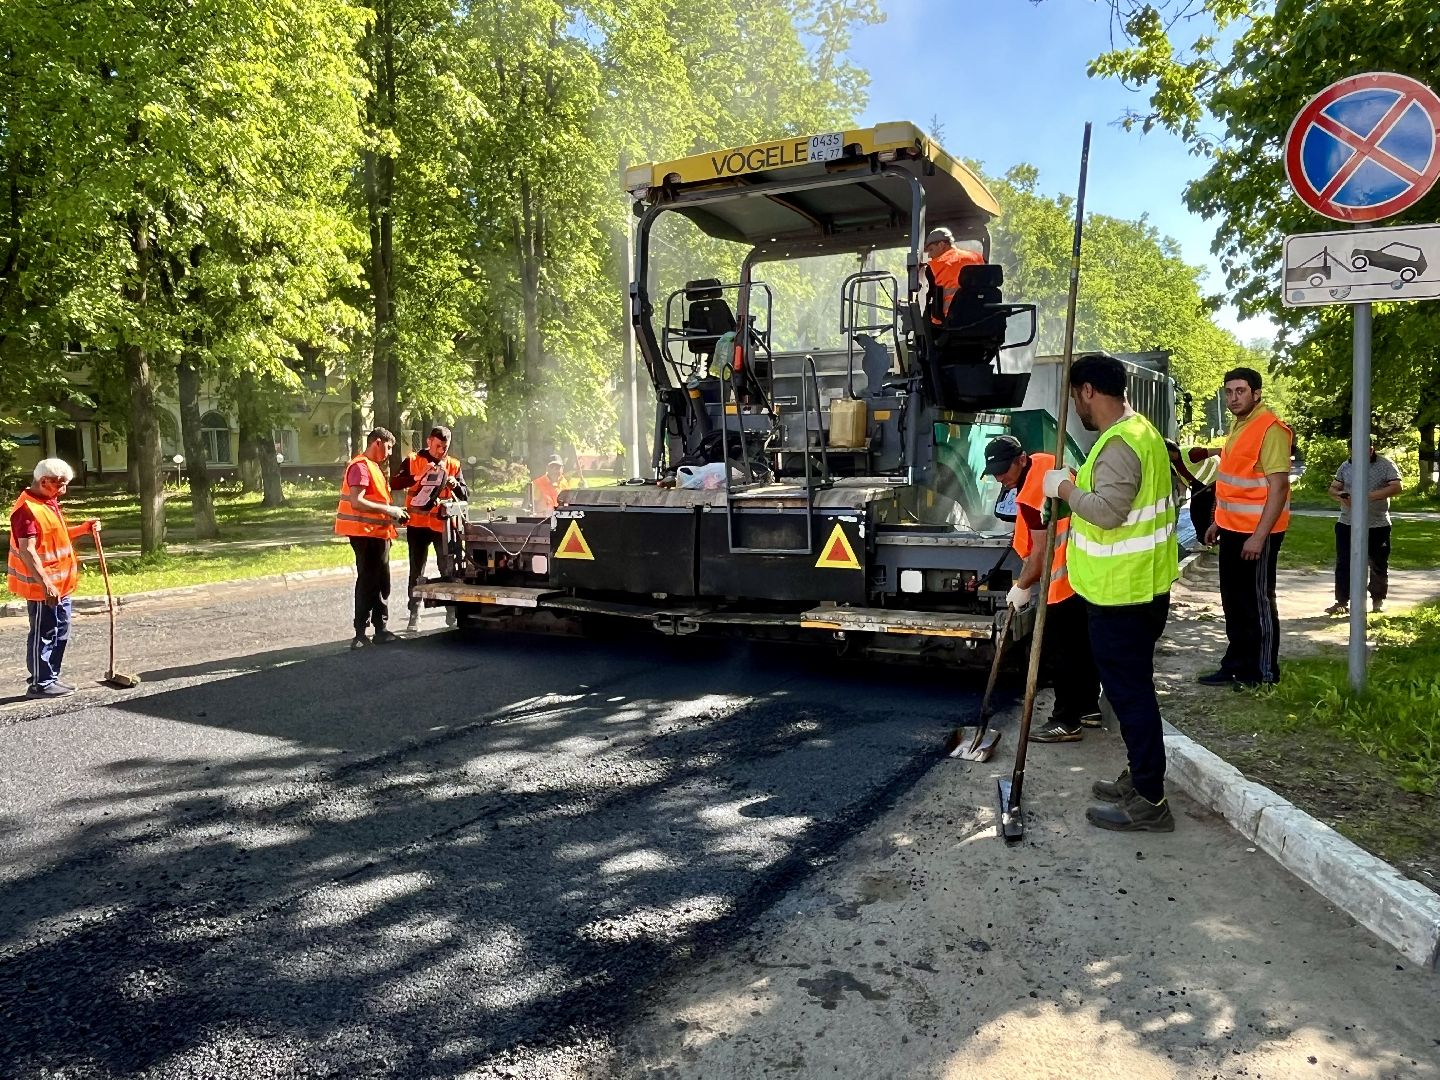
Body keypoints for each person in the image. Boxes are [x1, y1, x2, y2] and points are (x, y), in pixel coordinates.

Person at [1044, 353, 1180, 832]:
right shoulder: (1140, 431)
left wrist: (1064, 488)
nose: (1075, 409)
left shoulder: (1120, 444)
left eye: (1073, 396)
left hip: (1122, 596)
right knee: (1132, 695)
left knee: (1132, 699)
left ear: (1086, 391)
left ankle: (1149, 800)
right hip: (1139, 588)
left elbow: (1107, 512)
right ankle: (1142, 776)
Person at [982, 434, 1101, 742]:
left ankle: (1066, 720)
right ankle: (1088, 708)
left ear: (1021, 460)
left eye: (1003, 470)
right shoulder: (1049, 462)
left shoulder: (1032, 493)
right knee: (1082, 646)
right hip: (1084, 571)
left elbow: (1039, 553)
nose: (1000, 479)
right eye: (994, 472)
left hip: (1060, 577)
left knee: (1059, 653)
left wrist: (1021, 587)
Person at [1197, 367, 1293, 687]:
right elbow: (1234, 483)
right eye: (1229, 391)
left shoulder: (1270, 429)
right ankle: (1235, 665)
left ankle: (1263, 673)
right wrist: (1217, 521)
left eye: (1240, 391)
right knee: (1235, 603)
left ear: (1256, 393)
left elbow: (1278, 488)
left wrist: (1259, 536)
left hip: (1258, 534)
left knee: (1258, 604)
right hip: (1233, 530)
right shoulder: (1240, 425)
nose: (1233, 397)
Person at [7, 459, 100, 696]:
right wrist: (46, 584)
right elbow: (27, 550)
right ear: (44, 481)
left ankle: (51, 678)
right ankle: (40, 683)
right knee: (44, 634)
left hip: (61, 586)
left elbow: (56, 536)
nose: (64, 490)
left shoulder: (48, 502)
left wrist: (83, 528)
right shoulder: (27, 511)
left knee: (60, 630)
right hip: (43, 588)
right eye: (60, 485)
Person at [335, 427, 408, 649]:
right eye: (388, 447)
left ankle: (380, 629)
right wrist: (390, 511)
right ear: (377, 442)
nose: (389, 453)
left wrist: (395, 512)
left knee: (379, 582)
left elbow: (375, 501)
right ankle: (360, 634)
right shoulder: (360, 467)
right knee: (368, 582)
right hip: (365, 535)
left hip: (376, 534)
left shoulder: (373, 467)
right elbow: (357, 501)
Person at [392, 426, 468, 632]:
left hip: (443, 526)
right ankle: (414, 614)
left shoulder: (453, 465)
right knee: (417, 571)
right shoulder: (413, 460)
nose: (440, 451)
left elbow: (465, 495)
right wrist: (416, 478)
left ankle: (451, 612)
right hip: (418, 525)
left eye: (444, 447)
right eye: (437, 447)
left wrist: (456, 486)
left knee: (448, 569)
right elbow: (396, 482)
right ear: (428, 442)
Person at [1326, 440, 1402, 616]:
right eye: (1355, 451)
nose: (1360, 454)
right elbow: (1333, 489)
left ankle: (1377, 601)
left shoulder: (1385, 465)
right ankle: (1342, 602)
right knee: (1344, 562)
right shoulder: (1346, 466)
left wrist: (1367, 496)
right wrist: (1340, 495)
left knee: (1377, 563)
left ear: (1371, 449)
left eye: (1365, 450)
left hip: (1377, 524)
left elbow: (1397, 487)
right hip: (1347, 523)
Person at [923, 226, 984, 326]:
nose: (929, 255)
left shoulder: (935, 266)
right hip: (982, 318)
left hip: (952, 323)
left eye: (931, 249)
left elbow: (926, 297)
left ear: (942, 245)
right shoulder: (977, 257)